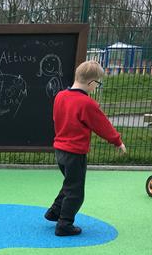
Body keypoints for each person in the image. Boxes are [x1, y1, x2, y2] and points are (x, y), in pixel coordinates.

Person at [45, 61, 127, 236]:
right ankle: (64, 224)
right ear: (91, 83)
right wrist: (117, 141)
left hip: (59, 150)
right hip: (75, 153)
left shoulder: (60, 96)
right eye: (98, 84)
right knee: (76, 192)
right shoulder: (86, 103)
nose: (97, 88)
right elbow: (102, 125)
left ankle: (55, 211)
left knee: (69, 183)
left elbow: (56, 118)